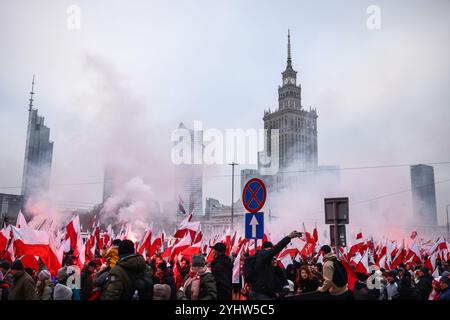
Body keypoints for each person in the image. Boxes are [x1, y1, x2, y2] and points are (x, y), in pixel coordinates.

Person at [247, 230, 301, 300]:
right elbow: (277, 248)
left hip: (267, 294)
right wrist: (289, 237)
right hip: (261, 294)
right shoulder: (262, 256)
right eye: (270, 251)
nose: (271, 254)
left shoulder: (271, 262)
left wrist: (276, 267)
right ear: (266, 250)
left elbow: (282, 279)